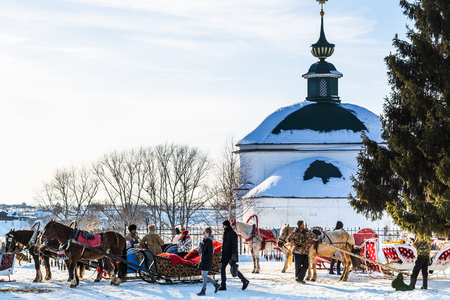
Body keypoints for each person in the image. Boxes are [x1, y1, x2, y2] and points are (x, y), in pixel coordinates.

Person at [219, 220, 249, 291]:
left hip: (229, 255)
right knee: (224, 269)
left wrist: (233, 256)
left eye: (224, 225)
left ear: (226, 225)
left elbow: (234, 246)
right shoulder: (226, 232)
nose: (223, 227)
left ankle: (244, 281)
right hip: (225, 254)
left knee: (232, 269)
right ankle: (223, 285)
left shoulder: (232, 233)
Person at [197, 227, 220, 296]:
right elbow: (203, 251)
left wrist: (204, 258)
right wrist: (200, 248)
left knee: (204, 275)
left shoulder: (209, 242)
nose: (203, 233)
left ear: (208, 233)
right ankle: (216, 285)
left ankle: (203, 290)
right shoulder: (206, 241)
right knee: (204, 276)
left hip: (207, 261)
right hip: (204, 260)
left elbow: (210, 253)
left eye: (204, 232)